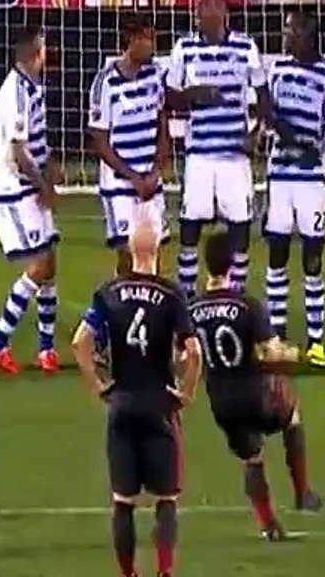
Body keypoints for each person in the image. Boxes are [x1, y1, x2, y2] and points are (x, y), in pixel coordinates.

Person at [69, 218, 202, 577]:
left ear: (129, 249)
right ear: (158, 248)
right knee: (166, 498)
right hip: (159, 404)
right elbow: (194, 352)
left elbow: (80, 343)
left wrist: (98, 385)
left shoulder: (108, 292)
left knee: (123, 501)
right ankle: (165, 570)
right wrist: (186, 392)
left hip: (123, 403)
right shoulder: (172, 294)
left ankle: (128, 573)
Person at [190, 230, 322, 541]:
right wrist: (294, 354)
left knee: (252, 457)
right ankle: (303, 492)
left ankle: (268, 524)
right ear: (232, 264)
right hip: (254, 393)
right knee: (291, 415)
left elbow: (184, 354)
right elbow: (270, 352)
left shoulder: (192, 309)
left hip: (220, 400)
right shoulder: (247, 305)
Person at [167, 0, 265, 299]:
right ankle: (187, 298)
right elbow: (169, 96)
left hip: (234, 157)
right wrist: (192, 94)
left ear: (222, 9)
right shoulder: (184, 48)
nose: (197, 13)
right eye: (197, 7)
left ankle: (235, 296)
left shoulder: (246, 47)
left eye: (203, 6)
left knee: (240, 227)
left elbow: (264, 96)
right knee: (190, 227)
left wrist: (257, 132)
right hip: (199, 155)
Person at [259, 11, 325, 367]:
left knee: (312, 258)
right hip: (280, 175)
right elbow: (268, 114)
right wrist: (273, 129)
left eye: (291, 32)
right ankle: (276, 336)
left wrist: (317, 150)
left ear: (308, 36)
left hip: (311, 180)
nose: (286, 37)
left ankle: (316, 341)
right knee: (277, 255)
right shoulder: (277, 70)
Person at [0, 25, 61, 375]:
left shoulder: (32, 86)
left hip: (30, 185)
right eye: (44, 49)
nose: (48, 54)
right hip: (14, 188)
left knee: (50, 263)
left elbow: (35, 140)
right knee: (39, 266)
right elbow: (17, 151)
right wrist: (44, 185)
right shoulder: (15, 92)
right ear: (33, 53)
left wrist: (51, 165)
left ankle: (46, 349)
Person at [88, 14, 171, 276]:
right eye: (148, 39)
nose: (152, 46)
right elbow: (100, 140)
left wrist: (156, 172)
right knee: (127, 252)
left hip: (150, 180)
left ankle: (151, 300)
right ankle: (122, 299)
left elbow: (163, 126)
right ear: (132, 40)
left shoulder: (155, 74)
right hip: (120, 184)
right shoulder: (105, 83)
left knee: (153, 250)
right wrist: (133, 177)